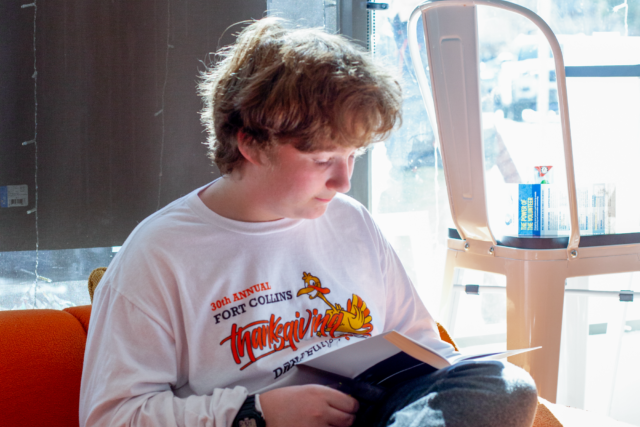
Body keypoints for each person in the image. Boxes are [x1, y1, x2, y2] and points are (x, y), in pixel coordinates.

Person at [79, 17, 538, 427]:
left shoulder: (351, 222)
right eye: (322, 159)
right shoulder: (161, 251)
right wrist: (258, 414)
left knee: (503, 382)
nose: (343, 181)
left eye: (353, 155)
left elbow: (422, 347)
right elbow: (110, 416)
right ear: (252, 144)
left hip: (377, 410)